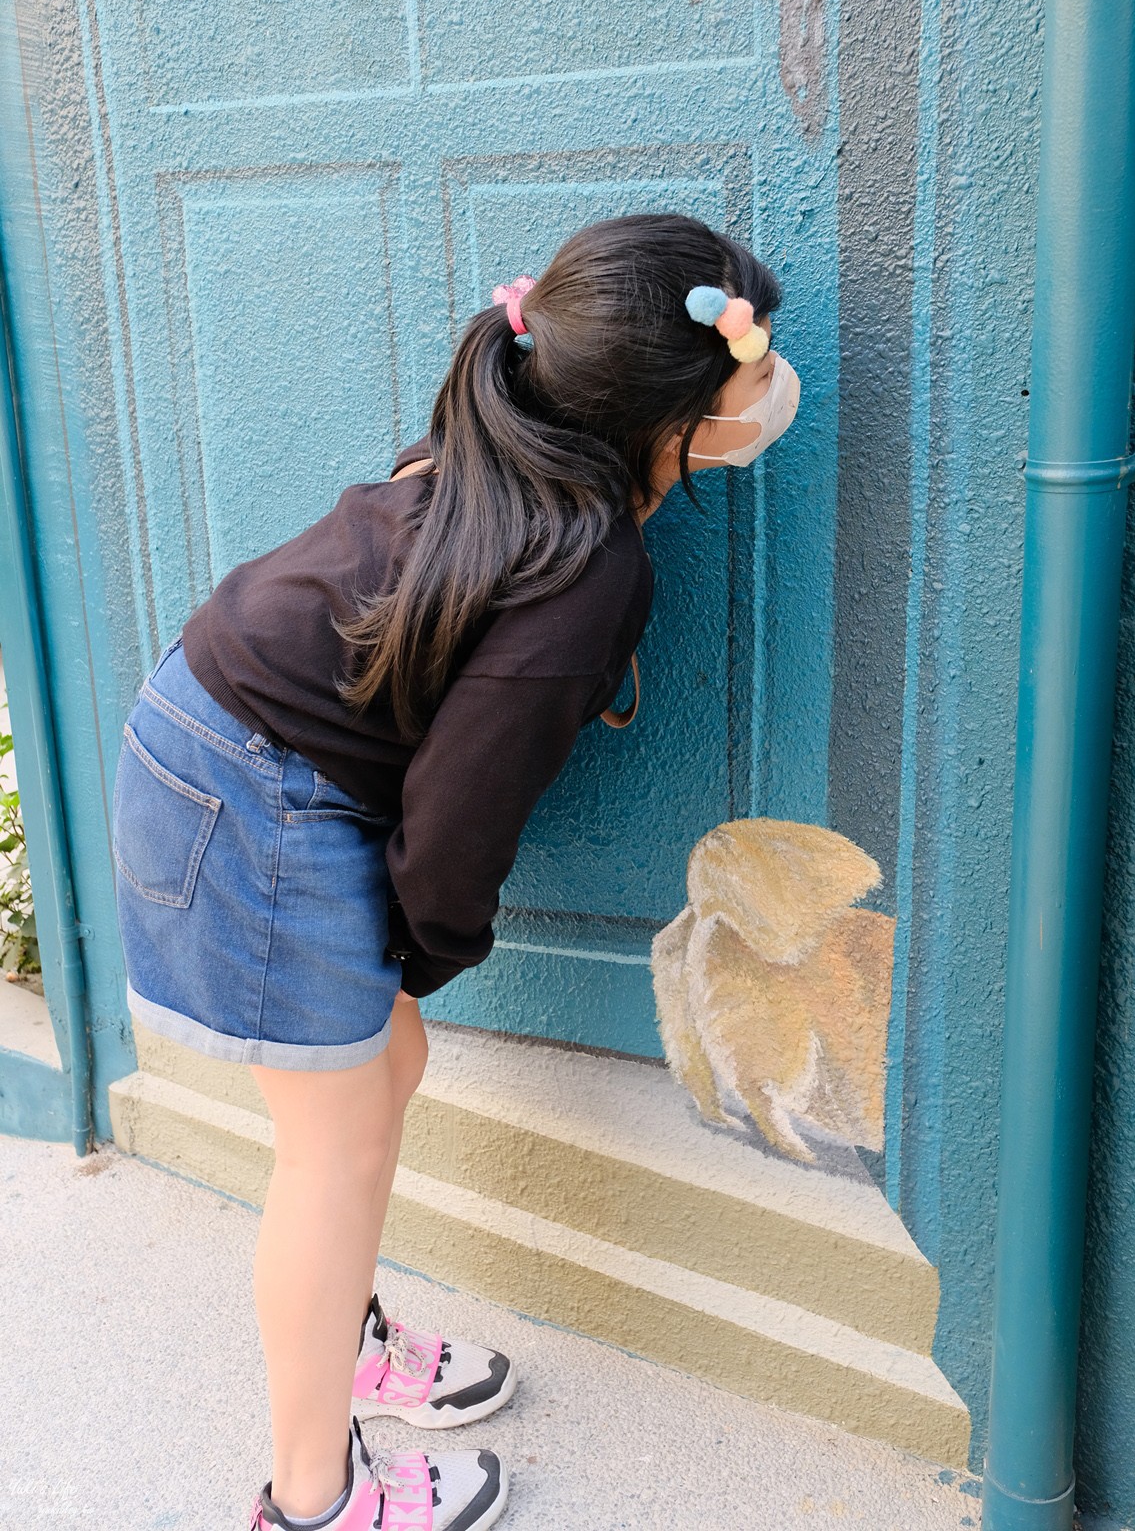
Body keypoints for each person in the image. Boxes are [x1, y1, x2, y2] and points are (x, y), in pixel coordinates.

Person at [110, 212, 799, 1531]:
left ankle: (350, 1342)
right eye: (747, 383)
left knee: (385, 1076)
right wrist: (421, 952)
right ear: (667, 427)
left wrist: (401, 975)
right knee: (341, 1140)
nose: (766, 400)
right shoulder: (593, 566)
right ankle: (315, 1503)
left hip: (236, 748)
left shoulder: (500, 437)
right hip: (253, 790)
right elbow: (467, 808)